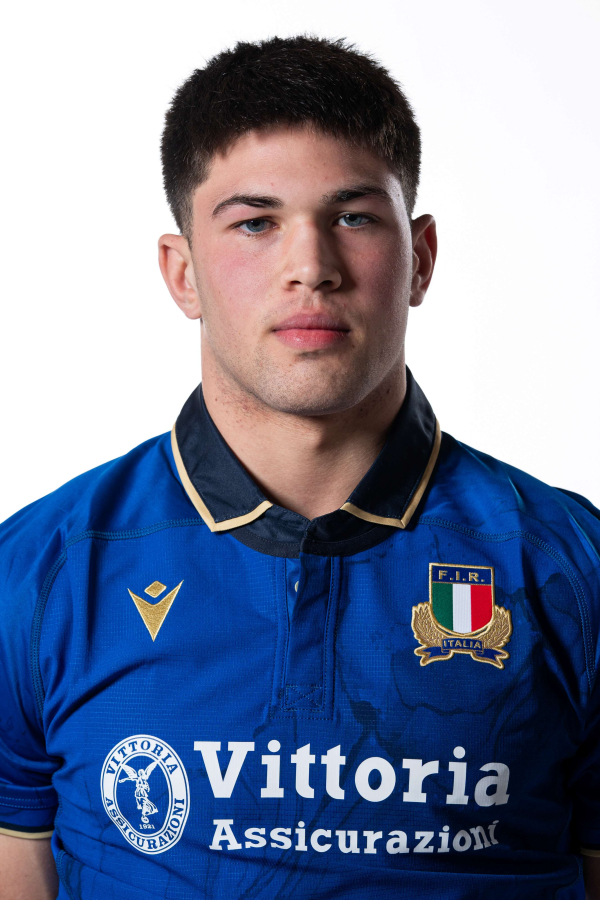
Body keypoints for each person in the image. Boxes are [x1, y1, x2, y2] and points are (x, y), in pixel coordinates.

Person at [0, 34, 599, 900]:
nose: (310, 268)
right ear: (183, 274)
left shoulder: (572, 569)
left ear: (421, 258)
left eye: (352, 217)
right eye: (256, 223)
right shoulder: (40, 575)